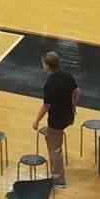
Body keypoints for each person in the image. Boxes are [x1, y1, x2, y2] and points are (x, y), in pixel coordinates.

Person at [32, 51, 79, 184]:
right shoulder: (67, 76)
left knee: (55, 149)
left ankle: (58, 180)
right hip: (69, 116)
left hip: (57, 121)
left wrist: (36, 121)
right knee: (52, 134)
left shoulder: (50, 84)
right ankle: (50, 133)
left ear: (47, 66)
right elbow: (77, 92)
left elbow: (46, 106)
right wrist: (72, 105)